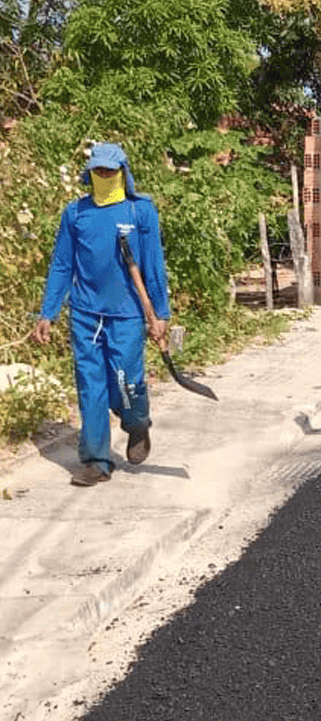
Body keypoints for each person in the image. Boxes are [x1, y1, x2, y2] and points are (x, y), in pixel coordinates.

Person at [31, 142, 171, 486]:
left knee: (125, 382)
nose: (105, 176)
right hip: (84, 313)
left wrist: (161, 313)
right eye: (99, 171)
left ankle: (137, 423)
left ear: (123, 172)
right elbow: (62, 265)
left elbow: (152, 265)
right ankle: (96, 460)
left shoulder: (140, 212)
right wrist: (47, 313)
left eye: (111, 170)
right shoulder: (75, 214)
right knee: (90, 386)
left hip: (127, 314)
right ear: (90, 173)